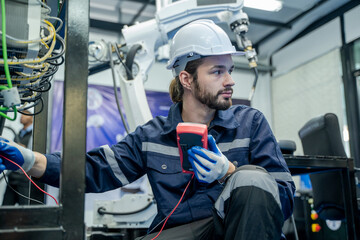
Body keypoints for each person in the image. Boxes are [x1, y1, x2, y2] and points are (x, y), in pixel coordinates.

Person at [0, 19, 295, 239]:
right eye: (218, 71)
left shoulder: (251, 123)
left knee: (251, 179)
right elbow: (94, 169)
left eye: (229, 69)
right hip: (178, 234)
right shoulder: (152, 136)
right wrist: (29, 160)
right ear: (187, 79)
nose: (230, 80)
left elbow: (282, 199)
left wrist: (231, 174)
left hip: (236, 231)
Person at [2, 110, 36, 205]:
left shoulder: (34, 134)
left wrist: (23, 149)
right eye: (21, 114)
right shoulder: (19, 133)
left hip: (24, 180)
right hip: (12, 178)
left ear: (31, 118)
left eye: (25, 115)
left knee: (25, 212)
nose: (21, 116)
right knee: (5, 209)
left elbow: (34, 153)